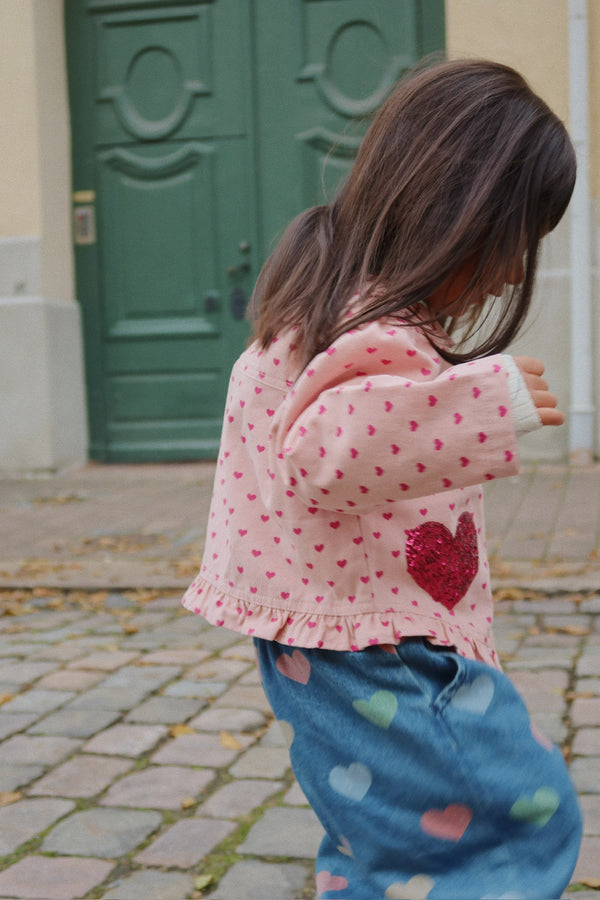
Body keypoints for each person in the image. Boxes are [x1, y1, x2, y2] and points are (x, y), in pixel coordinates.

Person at [183, 59, 582, 899]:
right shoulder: (378, 327)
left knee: (377, 834)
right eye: (513, 243)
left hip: (327, 643)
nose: (513, 274)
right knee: (529, 811)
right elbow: (330, 449)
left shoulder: (324, 296)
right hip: (381, 652)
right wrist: (481, 402)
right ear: (458, 211)